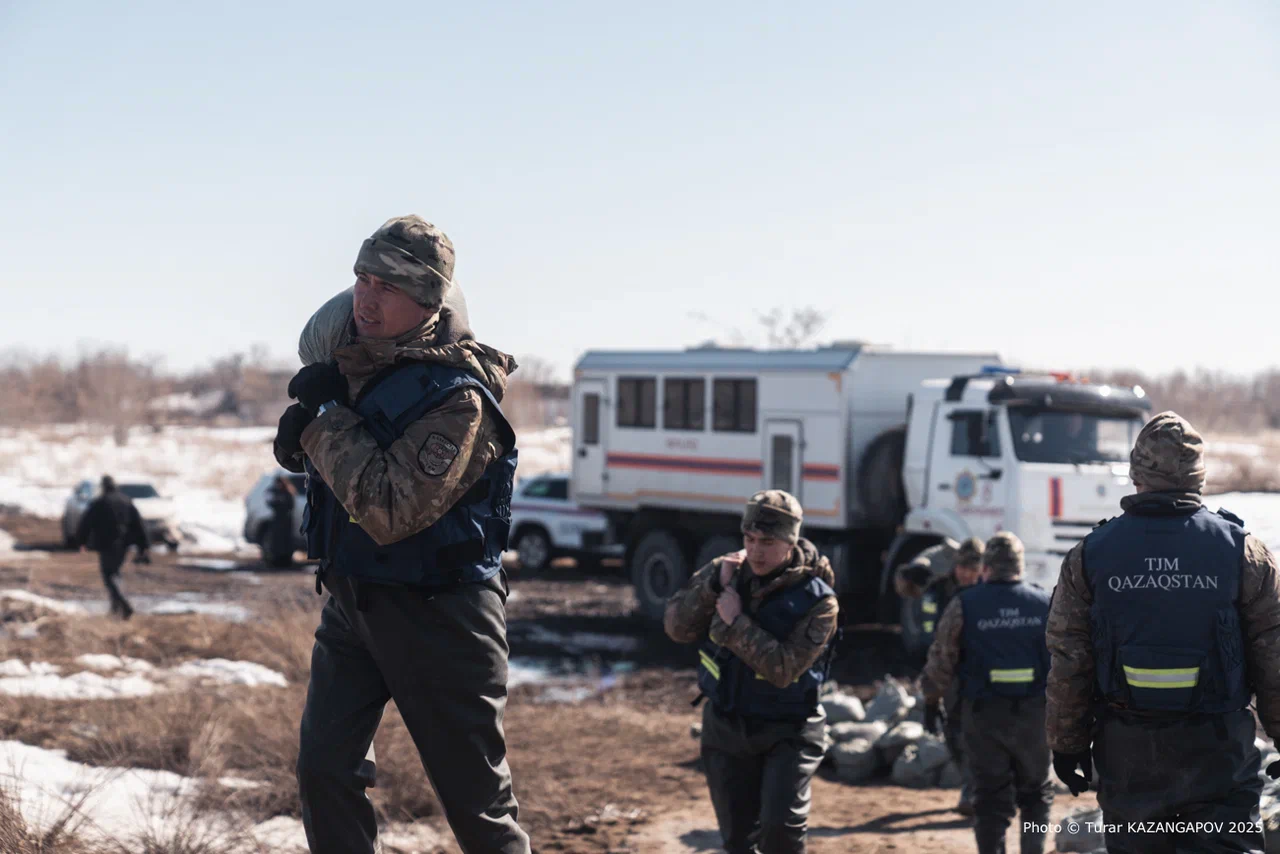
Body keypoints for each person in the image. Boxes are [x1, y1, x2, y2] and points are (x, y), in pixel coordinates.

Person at [273, 215, 530, 854]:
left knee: (478, 812)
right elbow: (340, 467)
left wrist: (327, 418)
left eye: (386, 285)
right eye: (361, 278)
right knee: (324, 772)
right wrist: (309, 425)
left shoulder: (459, 400)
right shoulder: (363, 371)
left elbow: (389, 508)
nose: (366, 296)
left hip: (442, 617)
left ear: (426, 301)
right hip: (355, 602)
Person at [1046, 411, 1280, 853]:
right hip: (1217, 755)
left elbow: (1069, 657)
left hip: (1129, 759)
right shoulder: (1243, 552)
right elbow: (1274, 653)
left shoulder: (1091, 555)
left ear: (1137, 474)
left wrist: (1067, 743)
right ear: (1198, 475)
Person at [664, 490, 839, 854]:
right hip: (726, 727)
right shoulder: (725, 573)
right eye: (750, 539)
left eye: (768, 541)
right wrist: (712, 587)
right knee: (738, 842)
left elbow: (784, 669)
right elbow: (676, 629)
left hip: (788, 730)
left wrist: (735, 622)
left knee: (780, 836)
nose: (756, 551)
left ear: (790, 542)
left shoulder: (819, 600)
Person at [921, 532, 1053, 854]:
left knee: (990, 799)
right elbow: (1067, 662)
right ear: (1019, 567)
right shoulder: (1045, 602)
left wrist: (930, 700)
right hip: (1035, 718)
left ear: (986, 567)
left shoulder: (964, 604)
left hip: (983, 718)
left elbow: (941, 661)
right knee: (1036, 795)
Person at [913, 536, 984, 816]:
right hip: (948, 672)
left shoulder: (989, 593)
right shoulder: (942, 590)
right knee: (953, 733)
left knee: (977, 735)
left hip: (979, 676)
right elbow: (932, 637)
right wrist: (931, 695)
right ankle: (971, 785)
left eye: (972, 567)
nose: (966, 573)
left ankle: (975, 789)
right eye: (962, 567)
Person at [74, 475, 147, 620]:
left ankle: (124, 607)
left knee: (109, 575)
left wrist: (81, 541)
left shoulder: (100, 502)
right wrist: (142, 546)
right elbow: (138, 524)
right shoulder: (126, 501)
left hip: (106, 544)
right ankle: (115, 609)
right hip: (124, 544)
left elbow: (86, 522)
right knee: (115, 573)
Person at [265, 475, 297, 566]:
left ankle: (285, 560)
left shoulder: (287, 492)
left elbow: (290, 505)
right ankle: (276, 560)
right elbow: (270, 501)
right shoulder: (274, 492)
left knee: (285, 542)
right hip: (278, 520)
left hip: (285, 520)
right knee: (276, 542)